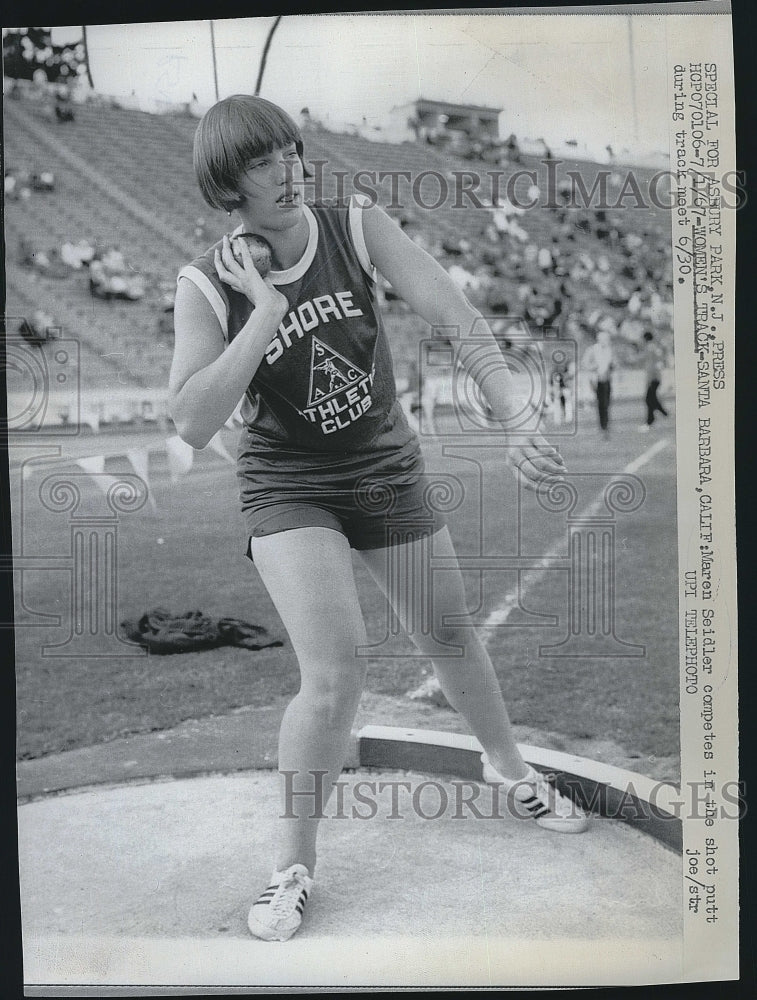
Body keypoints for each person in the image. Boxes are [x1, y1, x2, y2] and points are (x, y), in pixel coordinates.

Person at [168, 95, 588, 944]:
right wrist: (264, 315)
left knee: (450, 635)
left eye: (292, 150)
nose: (289, 169)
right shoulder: (204, 282)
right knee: (336, 669)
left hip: (385, 467)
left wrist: (514, 412)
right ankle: (291, 866)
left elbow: (454, 317)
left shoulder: (353, 225)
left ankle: (507, 768)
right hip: (289, 487)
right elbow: (190, 419)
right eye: (264, 161)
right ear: (228, 180)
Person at [582, 329, 616, 437]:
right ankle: (604, 426)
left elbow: (613, 364)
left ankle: (605, 425)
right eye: (604, 339)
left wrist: (612, 366)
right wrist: (593, 367)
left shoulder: (609, 350)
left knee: (606, 403)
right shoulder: (592, 350)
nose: (606, 341)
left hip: (607, 379)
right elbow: (584, 363)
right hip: (596, 380)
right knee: (602, 404)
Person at [638, 330, 669, 432]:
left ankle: (650, 422)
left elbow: (651, 365)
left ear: (645, 339)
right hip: (656, 377)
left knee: (649, 399)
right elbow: (659, 361)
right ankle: (663, 414)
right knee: (651, 399)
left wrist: (651, 378)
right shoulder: (654, 348)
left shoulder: (649, 348)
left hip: (653, 377)